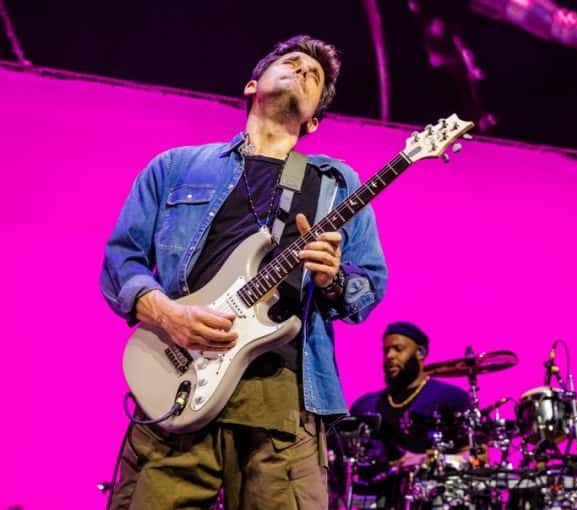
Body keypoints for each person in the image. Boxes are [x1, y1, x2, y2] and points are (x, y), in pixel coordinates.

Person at [100, 35, 388, 510]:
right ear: (252, 84)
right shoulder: (175, 167)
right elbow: (121, 259)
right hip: (175, 385)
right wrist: (168, 315)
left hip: (281, 398)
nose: (302, 71)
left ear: (314, 120)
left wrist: (332, 279)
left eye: (315, 76)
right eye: (291, 62)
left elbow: (369, 285)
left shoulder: (337, 187)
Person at [337, 322, 470, 508]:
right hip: (375, 499)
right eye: (386, 350)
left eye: (398, 349)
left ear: (420, 352)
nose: (389, 356)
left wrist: (425, 459)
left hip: (431, 499)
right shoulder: (365, 405)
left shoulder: (449, 398)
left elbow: (475, 456)